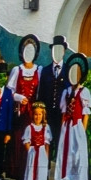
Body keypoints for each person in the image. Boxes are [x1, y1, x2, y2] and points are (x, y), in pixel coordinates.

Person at [53, 55, 91, 180]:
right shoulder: (66, 92)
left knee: (78, 159)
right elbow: (64, 113)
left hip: (77, 128)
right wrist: (63, 128)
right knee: (67, 159)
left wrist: (82, 129)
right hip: (67, 127)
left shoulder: (84, 92)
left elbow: (86, 113)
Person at [6, 35, 42, 180]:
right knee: (19, 148)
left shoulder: (38, 70)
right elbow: (9, 92)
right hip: (20, 115)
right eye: (26, 50)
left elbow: (41, 92)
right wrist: (19, 97)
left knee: (32, 148)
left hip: (33, 116)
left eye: (31, 51)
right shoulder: (16, 70)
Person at [38, 36, 68, 169]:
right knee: (46, 146)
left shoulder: (69, 70)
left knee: (61, 147)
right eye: (54, 49)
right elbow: (41, 94)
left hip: (62, 117)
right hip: (48, 115)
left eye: (59, 49)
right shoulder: (44, 71)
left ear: (64, 52)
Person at [20, 101, 52, 180]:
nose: (37, 117)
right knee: (31, 172)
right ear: (32, 115)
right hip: (33, 153)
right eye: (35, 114)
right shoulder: (29, 127)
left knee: (40, 173)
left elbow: (47, 144)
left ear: (43, 115)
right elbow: (26, 141)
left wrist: (46, 157)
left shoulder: (46, 128)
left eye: (39, 114)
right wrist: (30, 150)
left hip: (42, 153)